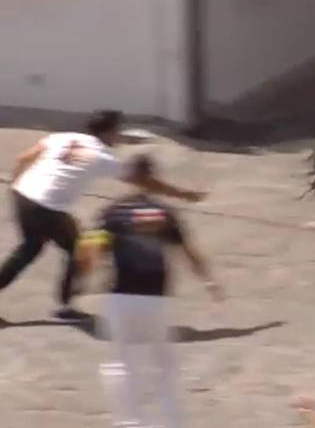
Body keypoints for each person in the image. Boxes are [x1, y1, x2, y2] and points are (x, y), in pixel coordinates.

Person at [0, 110, 206, 320]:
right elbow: (144, 181)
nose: (118, 137)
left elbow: (22, 158)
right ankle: (65, 307)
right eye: (117, 132)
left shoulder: (62, 138)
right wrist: (184, 194)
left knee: (30, 247)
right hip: (47, 206)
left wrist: (15, 183)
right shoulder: (100, 156)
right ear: (107, 132)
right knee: (79, 248)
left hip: (22, 196)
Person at [75, 154, 223, 428]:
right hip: (157, 300)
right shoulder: (165, 215)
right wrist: (209, 282)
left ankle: (128, 422)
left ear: (129, 177)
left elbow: (89, 250)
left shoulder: (111, 213)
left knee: (120, 363)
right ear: (153, 177)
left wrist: (84, 274)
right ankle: (170, 422)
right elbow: (189, 253)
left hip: (119, 296)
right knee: (163, 366)